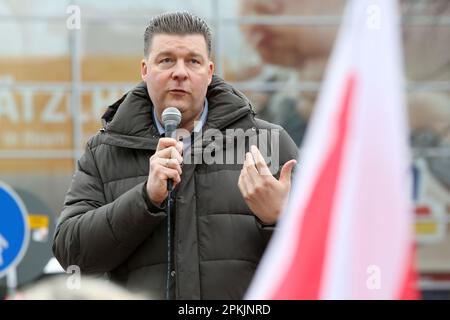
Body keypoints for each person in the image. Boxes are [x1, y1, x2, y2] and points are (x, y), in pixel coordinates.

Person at [52, 11, 298, 299]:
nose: (179, 72)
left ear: (209, 72)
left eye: (192, 61)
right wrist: (145, 198)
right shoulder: (105, 150)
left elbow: (325, 252)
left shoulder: (267, 143)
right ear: (145, 70)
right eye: (166, 60)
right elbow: (71, 255)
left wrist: (277, 219)